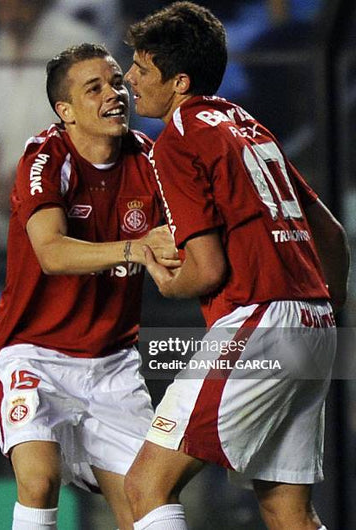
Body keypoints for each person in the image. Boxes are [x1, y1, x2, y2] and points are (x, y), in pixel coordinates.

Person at [123, 2, 350, 529]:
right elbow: (332, 235)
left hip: (258, 322)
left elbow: (206, 270)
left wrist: (162, 275)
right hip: (312, 322)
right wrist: (318, 310)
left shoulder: (177, 138)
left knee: (146, 487)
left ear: (178, 81)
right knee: (286, 509)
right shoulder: (245, 123)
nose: (130, 78)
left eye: (142, 67)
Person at [0, 43, 179, 530]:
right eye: (95, 88)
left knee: (148, 502)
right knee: (39, 478)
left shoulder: (149, 161)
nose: (114, 95)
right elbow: (51, 252)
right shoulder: (43, 158)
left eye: (115, 82)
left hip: (111, 366)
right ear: (64, 111)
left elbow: (181, 248)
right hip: (32, 354)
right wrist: (136, 249)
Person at [0, 0, 102, 340]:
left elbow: (90, 134)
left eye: (15, 5)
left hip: (65, 196)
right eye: (1, 7)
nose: (7, 14)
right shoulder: (0, 47)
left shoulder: (78, 43)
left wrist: (28, 180)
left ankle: (59, 327)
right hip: (7, 197)